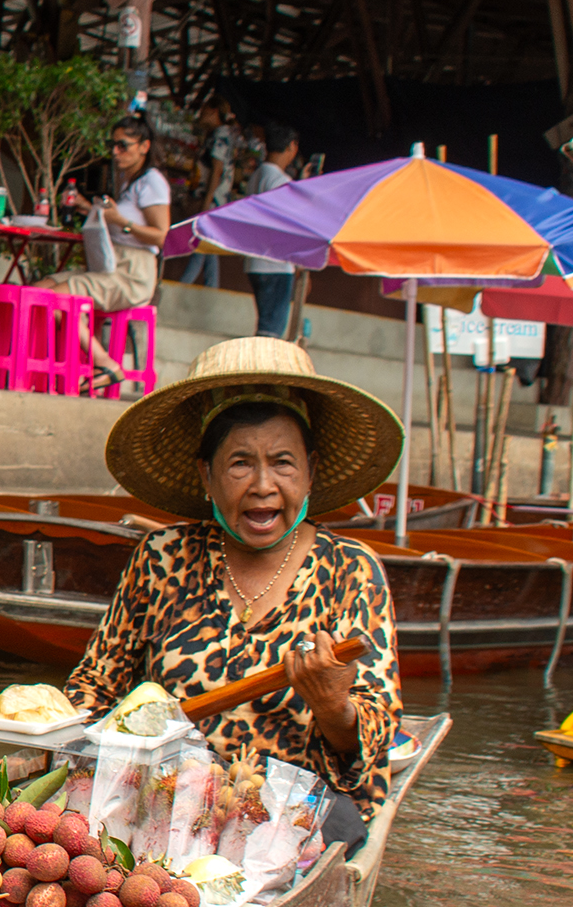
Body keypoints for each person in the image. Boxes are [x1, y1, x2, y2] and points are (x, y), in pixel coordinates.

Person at [67, 337, 405, 825]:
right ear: (207, 475)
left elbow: (374, 735)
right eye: (241, 463)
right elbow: (94, 688)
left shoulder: (352, 570)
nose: (263, 485)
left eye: (283, 462)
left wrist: (334, 708)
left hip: (292, 818)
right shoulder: (161, 558)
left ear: (310, 471)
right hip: (161, 804)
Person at [42, 117, 172, 391]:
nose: (115, 152)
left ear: (144, 146)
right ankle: (51, 371)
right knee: (39, 291)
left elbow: (162, 236)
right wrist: (86, 207)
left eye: (123, 145)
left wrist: (119, 220)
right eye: (113, 145)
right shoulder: (131, 182)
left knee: (58, 298)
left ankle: (105, 364)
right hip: (111, 266)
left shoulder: (152, 182)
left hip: (132, 273)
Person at [169, 99, 242, 286]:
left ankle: (180, 288)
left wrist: (206, 203)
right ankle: (212, 289)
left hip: (211, 201)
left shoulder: (220, 136)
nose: (200, 114)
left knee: (199, 247)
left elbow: (216, 171)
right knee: (207, 249)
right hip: (213, 201)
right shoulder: (219, 135)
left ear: (214, 110)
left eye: (203, 109)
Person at [243, 123, 302, 340]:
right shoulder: (281, 182)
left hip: (254, 261)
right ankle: (260, 372)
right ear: (292, 147)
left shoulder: (256, 177)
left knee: (265, 326)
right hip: (275, 264)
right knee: (271, 332)